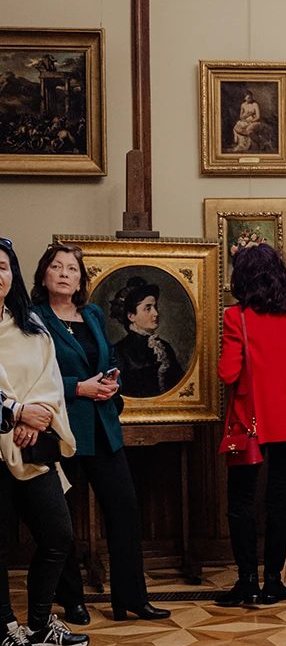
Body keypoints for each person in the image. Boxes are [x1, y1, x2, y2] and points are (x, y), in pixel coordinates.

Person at [31, 242, 168, 624]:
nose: (64, 273)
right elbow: (33, 376)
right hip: (59, 430)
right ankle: (72, 600)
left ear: (80, 280)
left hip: (102, 427)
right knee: (60, 520)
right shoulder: (34, 319)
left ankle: (131, 599)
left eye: (72, 269)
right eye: (56, 267)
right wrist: (79, 388)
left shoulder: (91, 313)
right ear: (43, 275)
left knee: (124, 510)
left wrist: (111, 380)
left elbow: (109, 356)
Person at [215, 243, 286, 607]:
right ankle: (274, 581)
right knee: (280, 500)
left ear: (241, 278)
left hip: (250, 420)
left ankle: (247, 581)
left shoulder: (236, 316)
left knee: (241, 500)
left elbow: (227, 372)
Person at [0, 237, 89, 646]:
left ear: (12, 275)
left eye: (2, 267)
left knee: (58, 534)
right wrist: (16, 412)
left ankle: (38, 625)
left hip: (33, 446)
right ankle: (5, 629)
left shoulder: (29, 326)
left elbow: (49, 379)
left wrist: (35, 416)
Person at [111, 277, 183, 397]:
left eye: (155, 307)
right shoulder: (119, 351)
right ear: (131, 316)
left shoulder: (164, 347)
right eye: (148, 308)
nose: (156, 313)